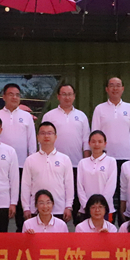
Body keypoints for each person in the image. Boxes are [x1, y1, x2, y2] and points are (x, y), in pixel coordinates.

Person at [41, 83, 90, 216]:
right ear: (58, 96)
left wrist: (86, 163)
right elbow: (43, 139)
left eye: (69, 94)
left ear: (74, 96)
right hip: (54, 165)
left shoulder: (81, 116)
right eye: (64, 94)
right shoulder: (49, 116)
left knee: (76, 198)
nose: (67, 97)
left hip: (76, 164)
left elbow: (86, 141)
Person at [91, 77, 130, 212]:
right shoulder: (99, 109)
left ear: (123, 88)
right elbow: (95, 134)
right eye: (111, 85)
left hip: (126, 158)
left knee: (123, 192)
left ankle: (123, 219)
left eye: (118, 85)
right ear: (107, 89)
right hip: (105, 159)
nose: (115, 88)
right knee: (107, 191)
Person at [0, 84, 36, 231]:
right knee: (3, 200)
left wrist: (32, 163)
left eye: (17, 95)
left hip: (22, 166)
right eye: (11, 94)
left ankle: (21, 233)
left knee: (20, 200)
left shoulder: (26, 117)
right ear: (4, 97)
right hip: (0, 167)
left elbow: (32, 142)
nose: (14, 97)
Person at [21, 122, 74, 222]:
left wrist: (68, 206)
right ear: (38, 137)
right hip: (36, 209)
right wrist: (26, 207)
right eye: (43, 133)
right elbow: (26, 185)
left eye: (50, 133)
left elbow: (69, 185)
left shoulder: (64, 159)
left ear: (55, 137)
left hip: (59, 209)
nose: (46, 136)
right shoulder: (30, 160)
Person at [77, 130, 117, 222]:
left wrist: (100, 206)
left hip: (106, 209)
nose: (96, 144)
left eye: (100, 141)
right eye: (93, 141)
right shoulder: (82, 163)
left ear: (105, 144)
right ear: (89, 143)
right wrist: (87, 206)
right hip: (86, 209)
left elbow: (110, 186)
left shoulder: (111, 161)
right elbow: (80, 187)